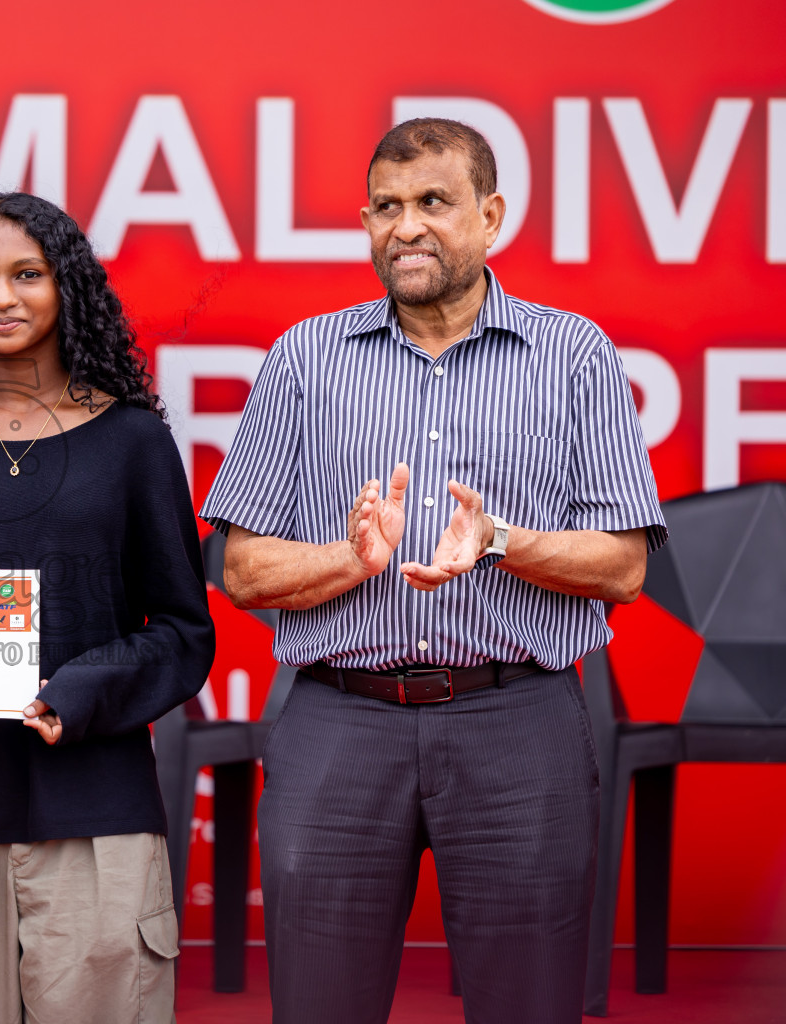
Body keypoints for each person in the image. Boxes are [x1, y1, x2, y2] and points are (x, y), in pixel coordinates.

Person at [200, 118, 667, 1024]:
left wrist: (499, 542)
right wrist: (353, 559)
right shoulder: (306, 356)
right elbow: (243, 568)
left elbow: (625, 566)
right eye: (386, 207)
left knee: (529, 1005)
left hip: (517, 720)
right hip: (339, 719)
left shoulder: (573, 356)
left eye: (433, 203)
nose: (405, 227)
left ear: (491, 216)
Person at [0, 192, 215, 1023]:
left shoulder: (134, 441)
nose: (3, 298)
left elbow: (181, 631)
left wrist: (81, 690)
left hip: (101, 815)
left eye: (28, 274)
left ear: (71, 287)